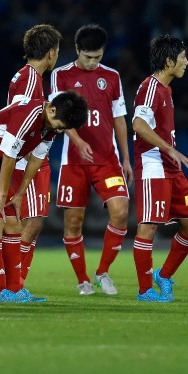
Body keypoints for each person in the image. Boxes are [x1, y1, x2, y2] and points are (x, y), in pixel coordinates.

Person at [0, 92, 88, 302]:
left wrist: (20, 193)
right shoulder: (28, 115)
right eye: (59, 125)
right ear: (52, 109)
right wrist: (3, 194)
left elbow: (36, 159)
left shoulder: (50, 126)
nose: (59, 130)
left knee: (14, 225)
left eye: (63, 128)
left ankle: (14, 290)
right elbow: (10, 156)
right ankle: (0, 293)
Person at [49, 24, 132, 296]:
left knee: (120, 212)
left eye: (97, 57)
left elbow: (119, 118)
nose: (93, 62)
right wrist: (78, 140)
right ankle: (83, 280)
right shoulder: (61, 75)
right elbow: (56, 116)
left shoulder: (112, 77)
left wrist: (126, 160)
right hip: (74, 161)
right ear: (77, 50)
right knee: (74, 222)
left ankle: (102, 272)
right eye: (88, 57)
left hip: (107, 160)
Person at [131, 34, 188, 302]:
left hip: (170, 167)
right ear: (169, 61)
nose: (186, 62)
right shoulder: (150, 88)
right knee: (148, 227)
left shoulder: (166, 89)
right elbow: (138, 125)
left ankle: (165, 275)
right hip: (153, 165)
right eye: (183, 58)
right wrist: (169, 148)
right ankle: (145, 290)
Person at [7, 24, 62, 297]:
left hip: (33, 158)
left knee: (35, 221)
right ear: (51, 53)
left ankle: (17, 286)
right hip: (21, 160)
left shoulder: (32, 78)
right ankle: (12, 286)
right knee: (24, 224)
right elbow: (18, 118)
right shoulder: (29, 79)